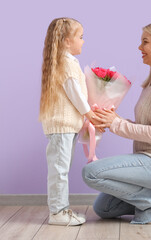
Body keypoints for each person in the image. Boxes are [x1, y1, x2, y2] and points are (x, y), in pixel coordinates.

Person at [82, 21, 151, 224]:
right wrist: (112, 120)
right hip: (148, 160)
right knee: (103, 208)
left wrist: (116, 124)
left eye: (145, 42)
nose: (140, 48)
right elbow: (146, 125)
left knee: (91, 173)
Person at [39, 17, 101, 226]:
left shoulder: (66, 61)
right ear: (66, 41)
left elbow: (76, 91)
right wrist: (88, 113)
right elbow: (74, 91)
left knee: (61, 169)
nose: (83, 41)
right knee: (60, 170)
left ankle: (61, 209)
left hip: (66, 127)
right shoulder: (66, 62)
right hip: (62, 127)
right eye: (80, 37)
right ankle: (57, 212)